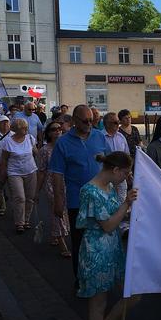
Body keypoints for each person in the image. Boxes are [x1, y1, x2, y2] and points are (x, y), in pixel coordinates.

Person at [77, 152, 137, 320]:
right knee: (98, 303)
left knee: (132, 293)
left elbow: (116, 216)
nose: (126, 178)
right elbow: (108, 225)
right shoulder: (90, 190)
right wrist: (126, 204)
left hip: (111, 249)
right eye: (125, 173)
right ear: (115, 170)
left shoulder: (108, 187)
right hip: (96, 251)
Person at [49, 105, 111, 278]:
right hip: (78, 200)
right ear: (74, 121)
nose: (90, 124)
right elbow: (57, 174)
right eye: (85, 121)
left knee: (102, 239)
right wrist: (59, 200)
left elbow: (110, 162)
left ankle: (101, 275)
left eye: (92, 120)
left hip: (101, 198)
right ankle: (81, 279)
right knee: (81, 242)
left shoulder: (99, 137)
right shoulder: (63, 142)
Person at [37, 121, 71, 257]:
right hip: (51, 183)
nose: (57, 131)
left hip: (67, 182)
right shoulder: (44, 150)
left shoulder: (65, 147)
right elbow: (41, 171)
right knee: (59, 210)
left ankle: (54, 234)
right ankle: (62, 242)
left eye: (59, 129)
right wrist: (37, 191)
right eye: (54, 129)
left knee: (63, 210)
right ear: (48, 133)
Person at [0, 119, 38, 233]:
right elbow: (4, 159)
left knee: (30, 197)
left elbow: (36, 152)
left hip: (31, 170)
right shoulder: (8, 141)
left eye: (26, 127)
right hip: (14, 172)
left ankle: (26, 220)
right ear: (16, 129)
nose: (26, 130)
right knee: (20, 197)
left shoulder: (30, 139)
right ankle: (19, 222)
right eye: (23, 128)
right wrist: (3, 172)